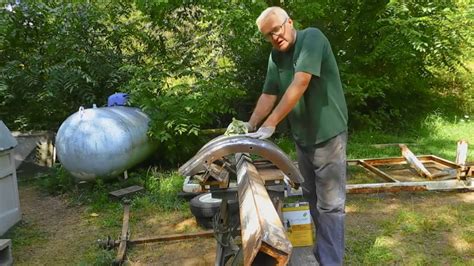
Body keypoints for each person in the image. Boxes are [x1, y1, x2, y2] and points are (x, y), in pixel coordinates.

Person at [243, 6, 348, 265]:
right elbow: (269, 94)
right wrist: (250, 125)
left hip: (328, 135)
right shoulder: (276, 56)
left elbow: (301, 82)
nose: (274, 37)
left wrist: (271, 124)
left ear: (289, 22)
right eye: (268, 35)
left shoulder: (311, 38)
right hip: (303, 138)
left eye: (276, 30)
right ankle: (322, 253)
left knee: (330, 205)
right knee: (312, 197)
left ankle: (330, 261)